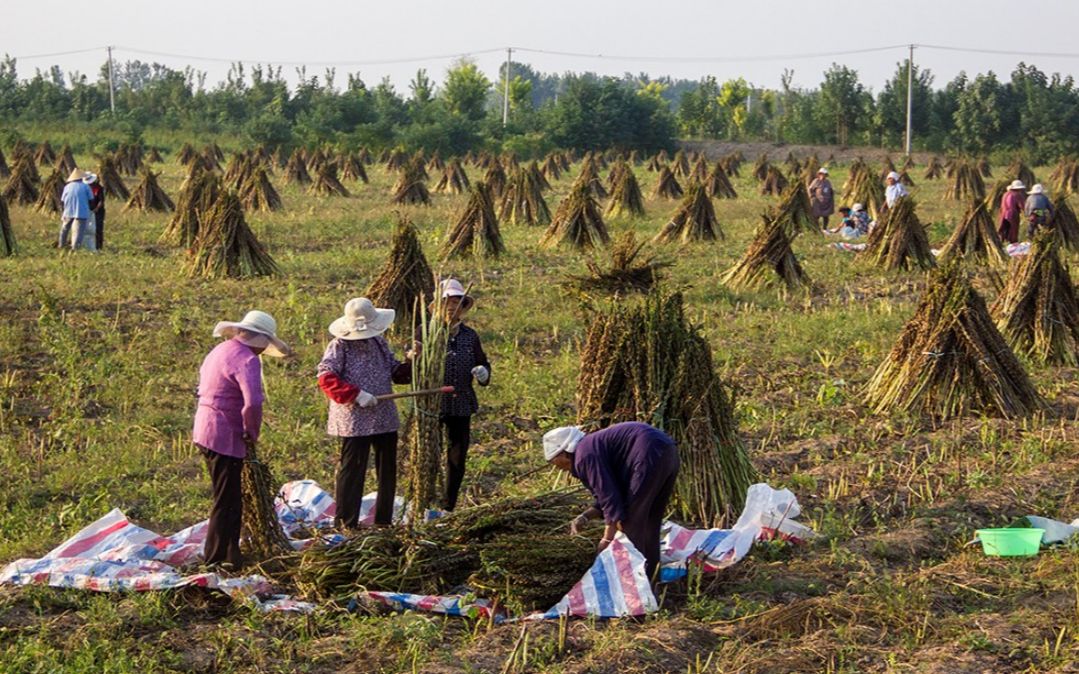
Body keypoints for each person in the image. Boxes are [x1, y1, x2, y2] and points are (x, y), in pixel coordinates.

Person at [193, 310, 290, 568]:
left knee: (227, 494)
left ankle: (228, 551)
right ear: (260, 341)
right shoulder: (248, 359)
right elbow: (253, 403)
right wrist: (252, 432)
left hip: (205, 427)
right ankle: (217, 557)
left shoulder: (221, 350)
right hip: (223, 432)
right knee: (227, 497)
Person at [317, 297, 411, 528]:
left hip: (383, 416)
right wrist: (356, 395)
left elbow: (395, 372)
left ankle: (383, 521)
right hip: (354, 418)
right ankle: (346, 522)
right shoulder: (340, 346)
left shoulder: (379, 342)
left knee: (387, 469)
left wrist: (411, 363)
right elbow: (325, 377)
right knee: (352, 470)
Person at [544, 421, 680, 580]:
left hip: (648, 454)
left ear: (564, 453)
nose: (555, 466)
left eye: (553, 460)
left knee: (630, 526)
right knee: (650, 524)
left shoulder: (584, 455)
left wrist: (607, 538)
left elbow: (609, 498)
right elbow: (607, 495)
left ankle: (636, 588)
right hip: (667, 452)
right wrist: (584, 517)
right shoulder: (590, 447)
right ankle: (652, 583)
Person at [425, 279, 491, 511]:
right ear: (438, 306)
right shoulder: (426, 333)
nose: (452, 307)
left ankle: (448, 505)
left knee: (456, 457)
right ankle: (424, 500)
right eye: (447, 302)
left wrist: (483, 373)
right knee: (427, 456)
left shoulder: (469, 336)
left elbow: (483, 363)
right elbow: (409, 368)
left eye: (457, 303)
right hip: (432, 405)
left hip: (461, 403)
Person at [59, 168, 92, 250]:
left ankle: (61, 245)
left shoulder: (67, 187)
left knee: (65, 229)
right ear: (81, 178)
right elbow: (91, 198)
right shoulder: (85, 186)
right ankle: (75, 247)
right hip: (81, 211)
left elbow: (62, 200)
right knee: (79, 230)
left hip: (68, 210)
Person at [999, 180, 1027, 244]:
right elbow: (1023, 206)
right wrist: (1027, 213)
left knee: (1004, 230)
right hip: (1012, 215)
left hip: (1003, 214)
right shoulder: (1017, 195)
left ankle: (1002, 244)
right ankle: (1013, 244)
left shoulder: (1005, 194)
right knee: (1013, 231)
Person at [85, 172, 106, 251]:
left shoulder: (99, 188)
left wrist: (96, 209)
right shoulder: (86, 188)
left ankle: (98, 246)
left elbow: (101, 200)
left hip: (98, 211)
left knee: (98, 228)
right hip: (88, 210)